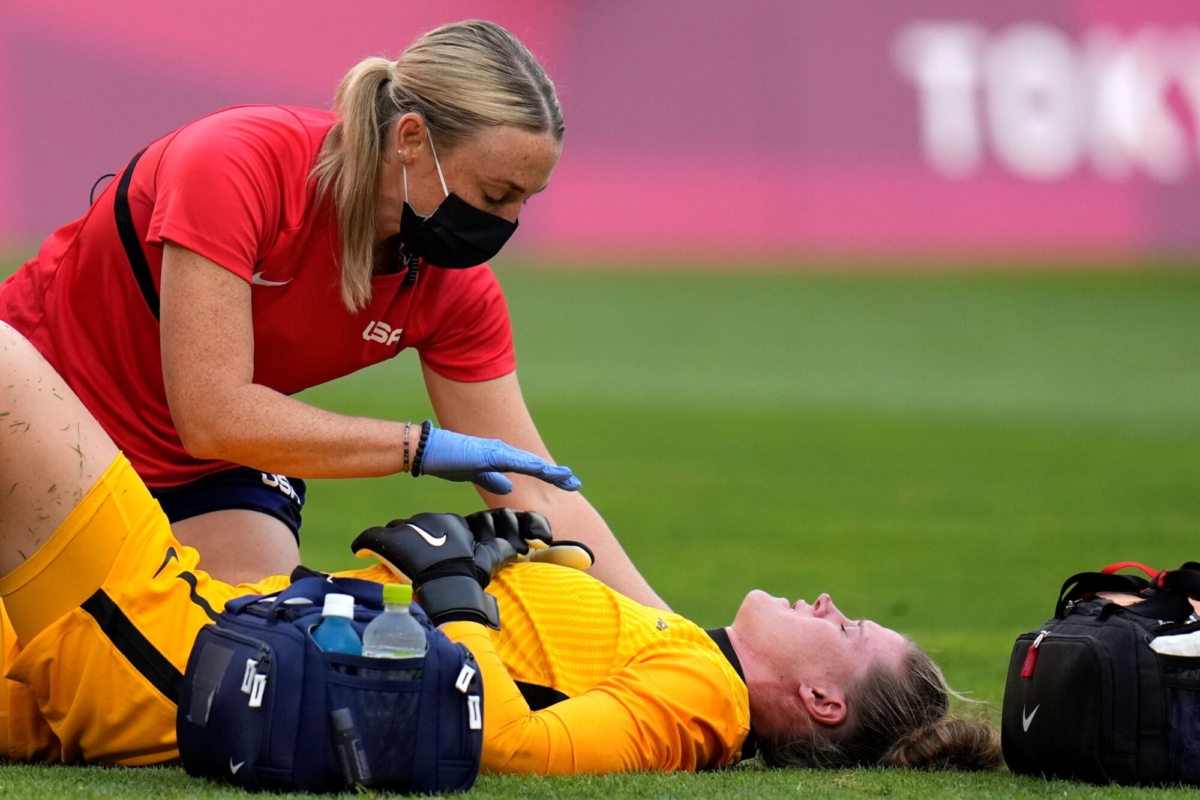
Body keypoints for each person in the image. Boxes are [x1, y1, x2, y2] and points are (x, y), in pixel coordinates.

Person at [0, 321, 1000, 773]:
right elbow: (533, 662)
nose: (828, 600)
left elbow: (512, 741)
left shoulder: (703, 701)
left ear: (822, 701)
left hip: (197, 658)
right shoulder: (677, 646)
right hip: (227, 632)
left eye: (851, 627)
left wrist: (452, 584)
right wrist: (487, 555)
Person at [0, 20, 665, 608]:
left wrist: (692, 647)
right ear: (410, 138)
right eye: (496, 193)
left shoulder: (457, 290)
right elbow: (211, 413)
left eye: (526, 200)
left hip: (207, 473)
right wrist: (418, 447)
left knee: (248, 650)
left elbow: (540, 495)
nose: (509, 223)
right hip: (43, 418)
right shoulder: (235, 164)